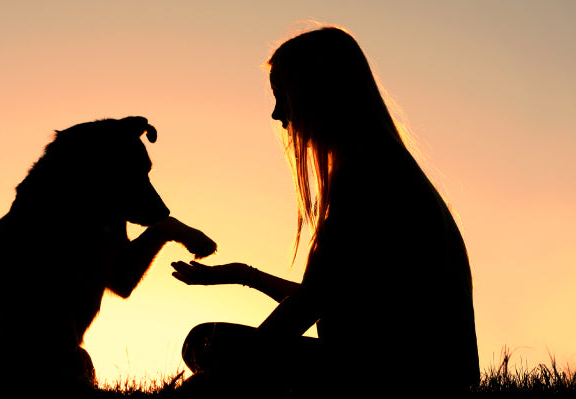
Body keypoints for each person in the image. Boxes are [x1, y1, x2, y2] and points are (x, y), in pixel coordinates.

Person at [171, 26, 480, 396]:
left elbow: (309, 304)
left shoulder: (368, 173)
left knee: (210, 347)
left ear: (316, 92)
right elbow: (326, 293)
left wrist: (234, 372)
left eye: (281, 96)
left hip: (406, 378)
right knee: (209, 343)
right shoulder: (380, 164)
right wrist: (244, 275)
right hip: (421, 370)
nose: (276, 113)